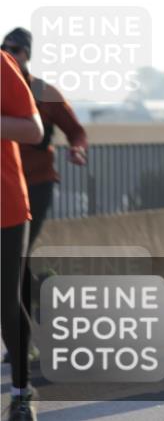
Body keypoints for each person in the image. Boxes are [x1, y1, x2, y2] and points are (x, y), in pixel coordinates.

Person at [2, 29, 87, 335]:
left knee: (15, 260)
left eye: (16, 49)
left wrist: (77, 149)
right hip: (6, 187)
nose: (9, 52)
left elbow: (76, 130)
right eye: (4, 47)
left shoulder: (44, 93)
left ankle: (22, 342)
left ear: (27, 54)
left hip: (37, 184)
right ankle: (43, 289)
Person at [2, 49, 44, 421]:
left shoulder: (1, 64)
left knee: (5, 300)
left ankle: (21, 392)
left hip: (6, 208)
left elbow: (33, 129)